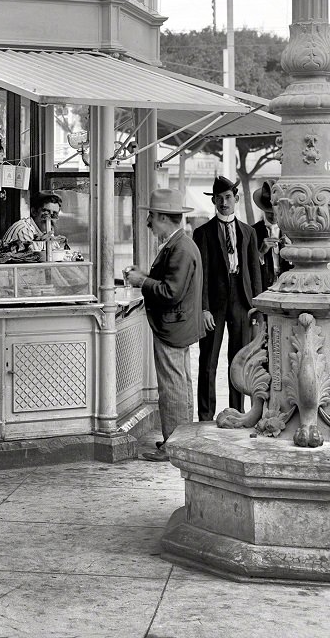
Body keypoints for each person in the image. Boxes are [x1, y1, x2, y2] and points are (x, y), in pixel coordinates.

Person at [124, 189, 202, 461]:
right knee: (179, 384)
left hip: (172, 326)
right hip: (177, 325)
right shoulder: (180, 244)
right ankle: (181, 441)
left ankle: (175, 445)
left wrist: (142, 282)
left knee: (172, 388)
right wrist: (145, 276)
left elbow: (171, 292)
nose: (148, 222)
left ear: (164, 218)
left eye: (152, 217)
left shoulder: (179, 248)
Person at [192, 175, 262, 421]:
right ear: (213, 201)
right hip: (214, 304)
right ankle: (205, 416)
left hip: (242, 303)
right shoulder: (202, 233)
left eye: (228, 198)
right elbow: (200, 276)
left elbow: (255, 272)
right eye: (219, 199)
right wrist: (203, 309)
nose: (224, 203)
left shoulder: (248, 233)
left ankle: (236, 413)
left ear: (236, 199)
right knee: (208, 361)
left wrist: (257, 308)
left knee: (239, 360)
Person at [252, 180, 290, 291]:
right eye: (269, 212)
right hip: (262, 287)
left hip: (286, 286)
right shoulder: (252, 231)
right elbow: (248, 266)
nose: (273, 216)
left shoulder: (290, 231)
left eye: (276, 212)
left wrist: (290, 251)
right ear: (262, 210)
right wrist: (261, 253)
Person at [1, 191, 65, 249]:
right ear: (34, 212)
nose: (50, 218)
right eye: (46, 212)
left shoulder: (47, 233)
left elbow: (56, 255)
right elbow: (34, 258)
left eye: (54, 214)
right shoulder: (24, 229)